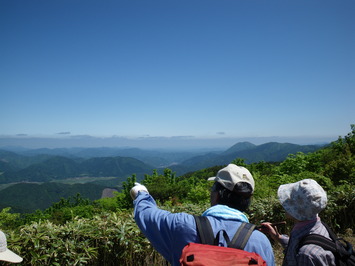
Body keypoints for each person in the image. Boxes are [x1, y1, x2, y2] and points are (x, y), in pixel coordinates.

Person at [131, 164, 275, 266]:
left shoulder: (182, 225)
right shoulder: (260, 241)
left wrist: (141, 193)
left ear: (217, 195)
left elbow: (146, 215)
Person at [260, 179, 335, 266]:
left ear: (297, 209)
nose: (284, 204)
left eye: (289, 201)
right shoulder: (317, 226)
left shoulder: (306, 255)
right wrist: (279, 238)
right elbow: (297, 247)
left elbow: (301, 251)